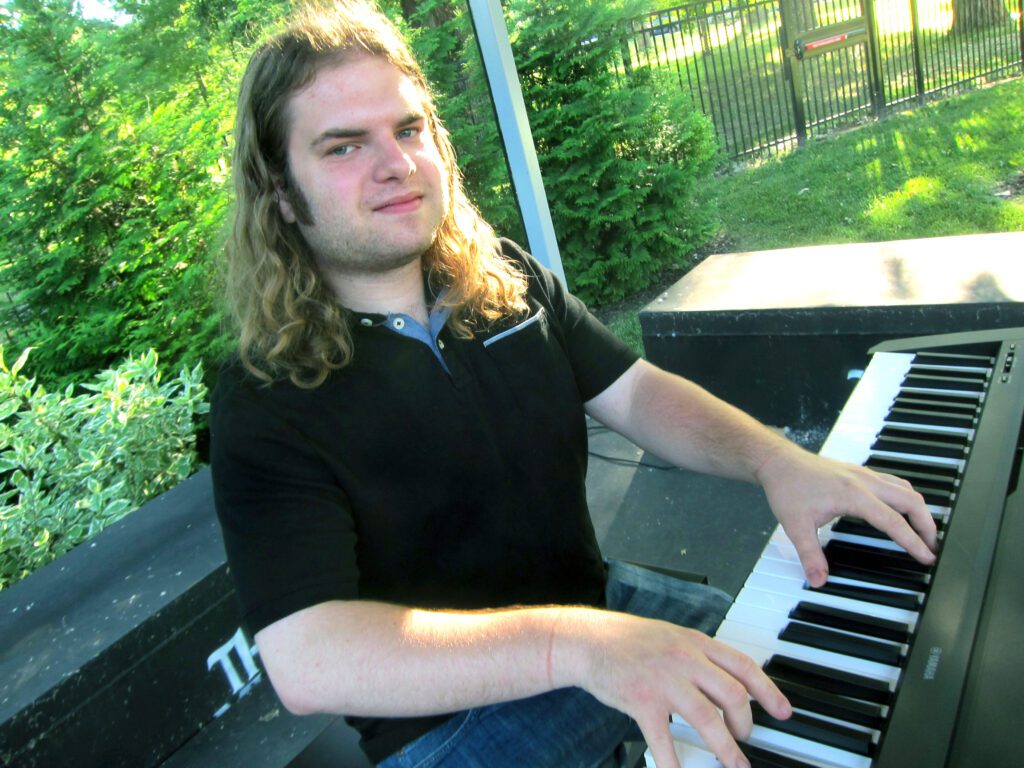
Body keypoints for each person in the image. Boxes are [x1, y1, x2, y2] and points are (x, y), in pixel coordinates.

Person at [209, 2, 938, 767]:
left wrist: (776, 461)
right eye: (343, 146)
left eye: (409, 128)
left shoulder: (503, 280)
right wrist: (579, 649)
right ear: (281, 194)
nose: (395, 163)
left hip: (596, 611)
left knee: (817, 678)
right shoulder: (266, 397)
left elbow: (638, 393)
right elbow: (308, 658)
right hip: (448, 721)